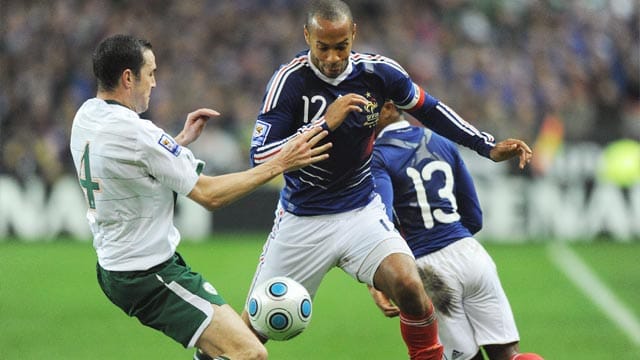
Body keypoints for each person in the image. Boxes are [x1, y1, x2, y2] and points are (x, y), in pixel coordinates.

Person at [241, 1, 532, 359]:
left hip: (360, 211)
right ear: (307, 37)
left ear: (353, 35)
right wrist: (323, 124)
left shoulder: (379, 74)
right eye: (323, 47)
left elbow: (430, 109)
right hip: (302, 219)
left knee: (410, 286)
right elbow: (260, 156)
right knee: (247, 337)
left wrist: (486, 146)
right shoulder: (288, 82)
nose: (332, 57)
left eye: (341, 46)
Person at [69, 34, 348, 360]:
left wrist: (178, 143)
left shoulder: (86, 116)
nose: (154, 83)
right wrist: (281, 162)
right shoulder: (138, 134)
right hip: (146, 274)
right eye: (150, 73)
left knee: (218, 351)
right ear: (128, 78)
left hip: (115, 266)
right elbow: (210, 195)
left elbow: (128, 163)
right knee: (250, 353)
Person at [368, 101, 544, 360]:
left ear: (389, 107)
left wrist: (379, 281)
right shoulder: (441, 141)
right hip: (471, 254)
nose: (364, 115)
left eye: (371, 106)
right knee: (509, 355)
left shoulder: (378, 156)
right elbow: (474, 215)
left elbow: (381, 221)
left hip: (429, 270)